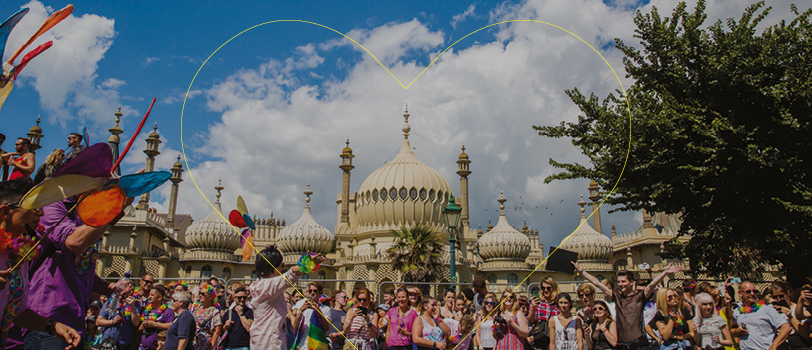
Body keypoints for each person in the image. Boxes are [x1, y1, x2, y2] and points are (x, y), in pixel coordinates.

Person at [23, 184, 134, 349]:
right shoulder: (54, 206)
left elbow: (82, 269)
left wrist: (111, 288)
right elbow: (75, 241)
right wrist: (116, 207)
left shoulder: (85, 214)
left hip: (75, 324)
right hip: (47, 324)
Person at [0, 180, 81, 349]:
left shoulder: (20, 255)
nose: (40, 214)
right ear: (6, 211)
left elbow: (18, 312)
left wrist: (52, 326)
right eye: (34, 208)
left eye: (41, 208)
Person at [575, 261, 682, 350]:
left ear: (631, 282)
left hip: (639, 343)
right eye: (619, 282)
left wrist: (665, 273)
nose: (620, 284)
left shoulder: (639, 297)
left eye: (623, 281)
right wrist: (580, 271)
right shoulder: (617, 296)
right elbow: (597, 283)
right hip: (623, 344)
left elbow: (652, 285)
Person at [248, 246, 324, 349]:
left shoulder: (259, 285)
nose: (282, 269)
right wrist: (306, 264)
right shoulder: (268, 286)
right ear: (273, 268)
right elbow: (290, 275)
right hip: (268, 343)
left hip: (263, 340)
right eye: (281, 265)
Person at [731, 281, 791, 350]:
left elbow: (786, 327)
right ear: (740, 293)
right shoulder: (737, 311)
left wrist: (774, 346)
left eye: (754, 291)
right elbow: (732, 329)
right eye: (748, 292)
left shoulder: (766, 309)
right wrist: (737, 331)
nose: (752, 294)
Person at [768, 282, 810, 350]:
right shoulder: (769, 309)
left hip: (797, 345)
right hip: (780, 345)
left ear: (788, 293)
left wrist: (790, 316)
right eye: (775, 297)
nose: (779, 299)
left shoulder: (799, 309)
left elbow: (805, 334)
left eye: (782, 296)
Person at [136, 285, 175, 350]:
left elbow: (171, 326)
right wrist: (141, 327)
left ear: (159, 297)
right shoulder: (146, 310)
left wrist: (154, 324)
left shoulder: (168, 311)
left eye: (152, 295)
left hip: (158, 348)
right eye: (149, 295)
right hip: (143, 347)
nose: (149, 297)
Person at [190, 283, 222, 350]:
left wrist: (211, 347)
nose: (200, 296)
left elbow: (217, 332)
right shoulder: (196, 309)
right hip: (193, 343)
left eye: (203, 294)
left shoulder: (214, 311)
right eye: (200, 293)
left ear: (210, 297)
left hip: (205, 344)